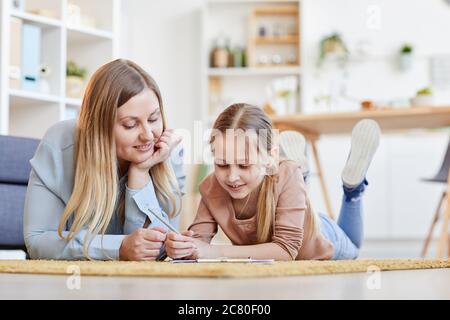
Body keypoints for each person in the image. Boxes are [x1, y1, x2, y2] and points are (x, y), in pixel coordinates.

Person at [165, 103, 380, 260]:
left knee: (354, 247)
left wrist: (216, 252)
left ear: (270, 157)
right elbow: (199, 243)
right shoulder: (211, 186)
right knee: (287, 178)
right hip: (291, 208)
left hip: (320, 237)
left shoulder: (281, 173)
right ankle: (300, 180)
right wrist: (183, 247)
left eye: (244, 165)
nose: (231, 177)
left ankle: (353, 189)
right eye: (222, 164)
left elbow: (285, 251)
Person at [23, 59, 185, 261]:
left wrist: (140, 173)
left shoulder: (168, 151)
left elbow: (156, 250)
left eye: (153, 119)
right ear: (101, 127)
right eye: (130, 125)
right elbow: (37, 241)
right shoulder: (59, 143)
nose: (148, 136)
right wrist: (119, 247)